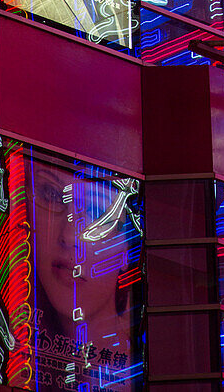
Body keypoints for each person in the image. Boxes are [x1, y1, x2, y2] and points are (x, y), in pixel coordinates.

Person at [24, 160, 142, 392]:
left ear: (128, 248)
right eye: (52, 195)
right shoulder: (18, 356)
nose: (69, 236)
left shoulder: (143, 371)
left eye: (96, 211)